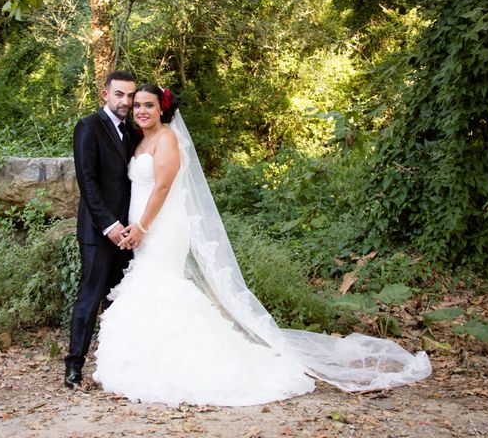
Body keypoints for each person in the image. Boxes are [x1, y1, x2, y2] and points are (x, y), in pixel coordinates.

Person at [92, 84, 432, 406]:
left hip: (160, 227)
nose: (140, 110)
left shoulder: (166, 139)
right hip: (142, 228)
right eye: (137, 105)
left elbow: (163, 189)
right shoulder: (139, 141)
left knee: (162, 285)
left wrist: (142, 226)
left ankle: (186, 362)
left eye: (148, 105)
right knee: (150, 285)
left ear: (162, 108)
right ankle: (152, 358)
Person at [64, 70, 140, 389]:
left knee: (121, 300)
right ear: (105, 94)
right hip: (99, 232)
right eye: (119, 94)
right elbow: (87, 181)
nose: (125, 101)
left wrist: (131, 227)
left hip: (129, 235)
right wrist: (109, 225)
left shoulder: (135, 133)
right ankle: (74, 366)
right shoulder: (88, 127)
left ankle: (115, 365)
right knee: (90, 297)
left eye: (130, 96)